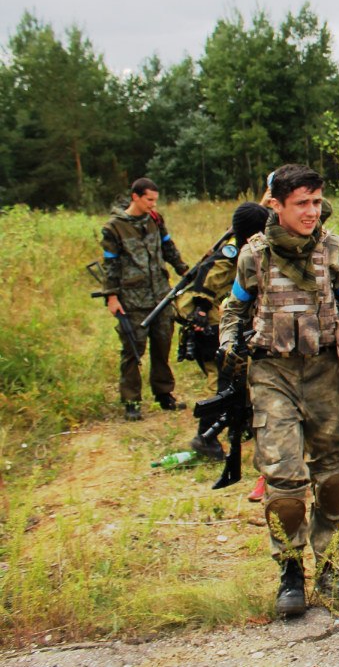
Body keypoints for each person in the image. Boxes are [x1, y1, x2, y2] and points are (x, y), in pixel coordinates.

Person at [220, 164, 339, 617]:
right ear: (274, 205)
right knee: (284, 481)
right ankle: (291, 570)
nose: (312, 211)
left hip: (324, 375)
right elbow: (234, 307)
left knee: (332, 477)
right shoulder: (253, 254)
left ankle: (330, 563)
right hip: (271, 375)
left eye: (317, 202)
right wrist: (226, 346)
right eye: (302, 203)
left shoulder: (334, 250)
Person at [175, 203, 271, 501]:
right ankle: (208, 437)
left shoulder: (247, 247)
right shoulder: (234, 252)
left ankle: (214, 434)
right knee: (225, 384)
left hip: (225, 324)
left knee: (231, 385)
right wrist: (204, 312)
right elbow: (208, 283)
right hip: (214, 327)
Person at [99, 177, 190, 421]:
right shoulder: (114, 227)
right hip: (132, 300)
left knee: (162, 345)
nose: (153, 204)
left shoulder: (155, 220)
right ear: (135, 197)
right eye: (149, 200)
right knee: (133, 349)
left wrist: (184, 270)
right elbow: (111, 264)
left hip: (160, 294)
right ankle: (131, 401)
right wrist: (112, 296)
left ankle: (164, 394)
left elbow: (168, 248)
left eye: (155, 200)